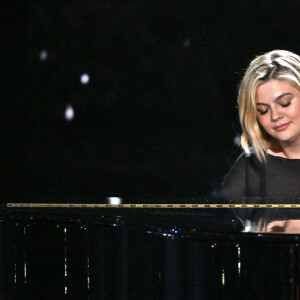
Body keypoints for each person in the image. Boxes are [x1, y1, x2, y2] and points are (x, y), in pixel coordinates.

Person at [221, 49, 300, 232]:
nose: (275, 116)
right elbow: (221, 226)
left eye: (285, 103)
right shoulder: (252, 166)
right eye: (263, 110)